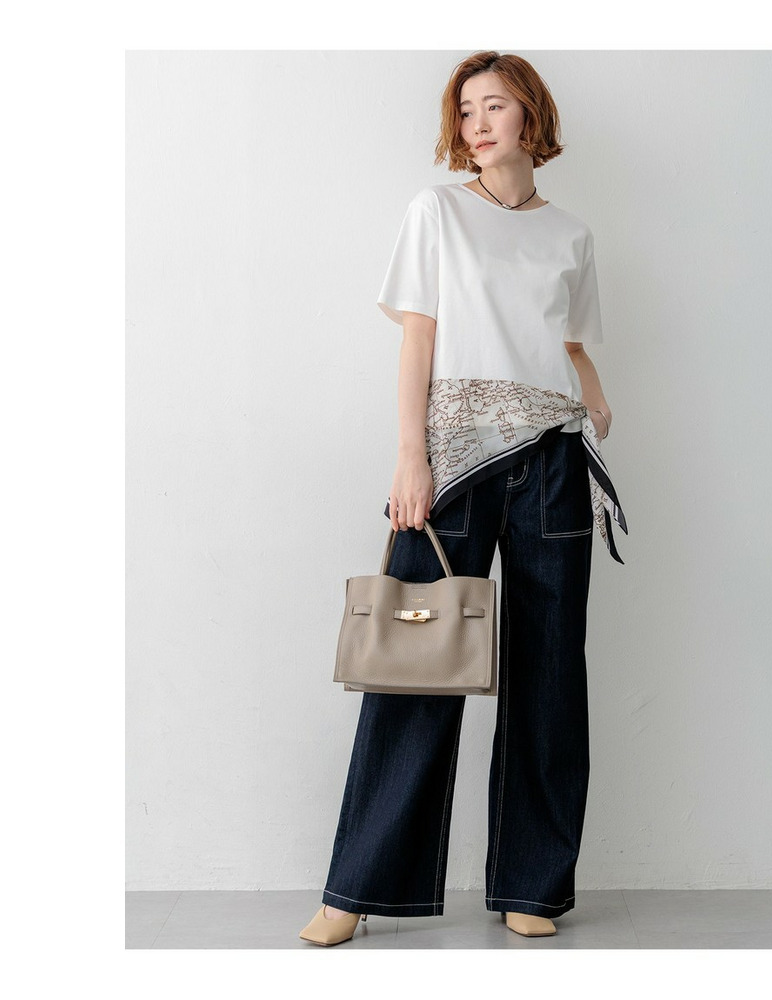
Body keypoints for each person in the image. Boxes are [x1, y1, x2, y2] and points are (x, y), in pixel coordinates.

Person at [299, 50, 627, 947]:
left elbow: (571, 342)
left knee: (550, 672)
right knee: (413, 668)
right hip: (450, 468)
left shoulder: (571, 234)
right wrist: (410, 458)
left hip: (553, 460)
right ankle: (355, 890)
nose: (479, 123)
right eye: (467, 109)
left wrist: (598, 399)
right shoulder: (437, 211)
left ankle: (533, 885)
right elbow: (419, 339)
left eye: (496, 105)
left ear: (531, 115)